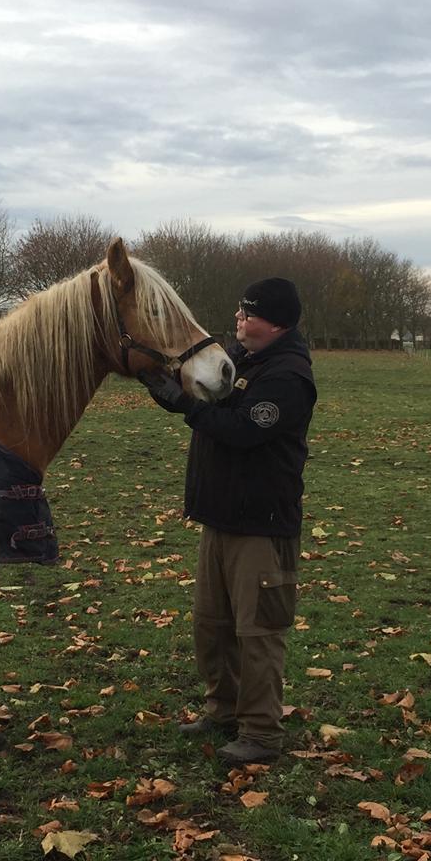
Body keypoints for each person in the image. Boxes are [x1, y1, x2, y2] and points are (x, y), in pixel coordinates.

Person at [143, 277, 317, 764]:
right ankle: (223, 709)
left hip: (261, 524)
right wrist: (173, 390)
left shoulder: (287, 376)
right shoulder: (243, 360)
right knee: (212, 624)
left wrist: (189, 411)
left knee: (258, 632)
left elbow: (243, 430)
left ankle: (261, 734)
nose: (239, 319)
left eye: (250, 313)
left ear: (277, 322)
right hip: (220, 518)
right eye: (240, 311)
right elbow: (214, 400)